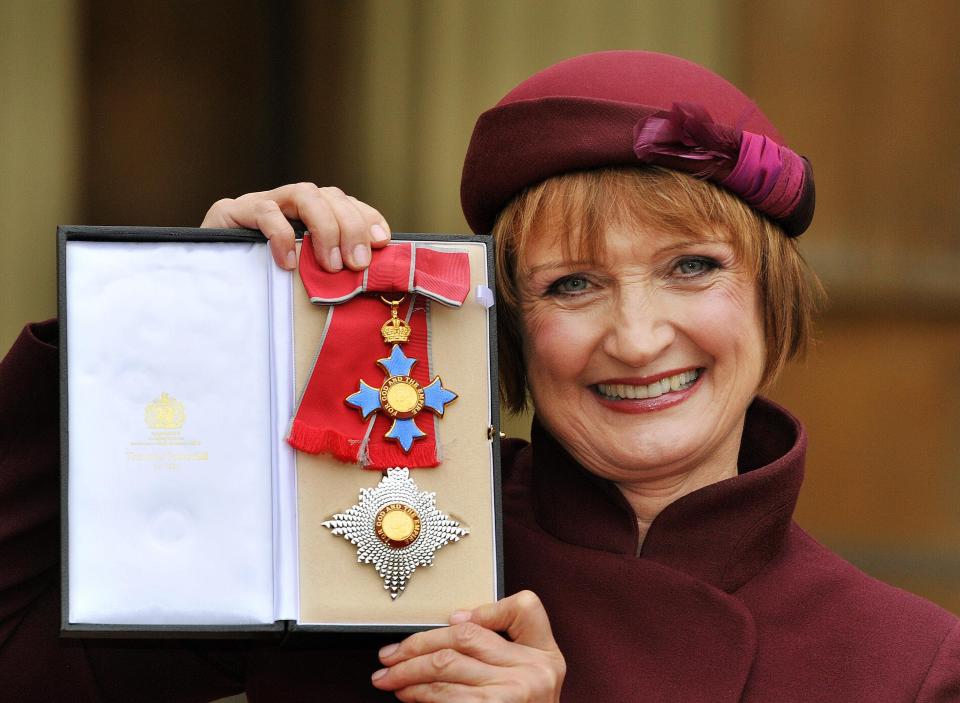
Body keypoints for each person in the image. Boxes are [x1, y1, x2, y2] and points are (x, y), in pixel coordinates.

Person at [2, 51, 958, 702]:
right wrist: (182, 322)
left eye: (692, 267)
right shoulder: (352, 534)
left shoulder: (908, 664)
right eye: (572, 284)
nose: (635, 337)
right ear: (505, 325)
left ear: (770, 297)